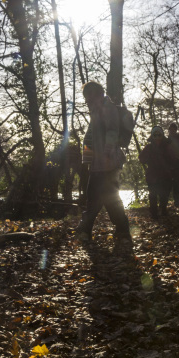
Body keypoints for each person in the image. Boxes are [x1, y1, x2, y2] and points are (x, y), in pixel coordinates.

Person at [75, 81, 131, 242]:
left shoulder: (108, 108)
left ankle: (119, 229)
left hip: (108, 163)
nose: (86, 101)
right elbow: (89, 138)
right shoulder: (96, 111)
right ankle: (118, 229)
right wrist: (87, 160)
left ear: (98, 95)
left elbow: (113, 131)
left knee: (107, 198)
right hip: (98, 165)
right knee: (98, 198)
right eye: (85, 98)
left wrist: (107, 153)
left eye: (89, 97)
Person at [139, 126, 176, 220]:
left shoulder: (167, 147)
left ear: (162, 135)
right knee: (153, 194)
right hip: (152, 175)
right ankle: (154, 213)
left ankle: (163, 210)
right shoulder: (148, 147)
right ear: (152, 136)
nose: (157, 137)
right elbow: (141, 158)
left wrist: (172, 168)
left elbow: (173, 159)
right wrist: (147, 159)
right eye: (155, 135)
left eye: (159, 135)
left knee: (164, 194)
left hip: (165, 175)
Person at [167, 122, 179, 209]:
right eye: (170, 129)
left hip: (178, 165)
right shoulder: (166, 140)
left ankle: (177, 202)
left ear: (175, 130)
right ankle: (167, 203)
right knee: (168, 184)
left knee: (177, 184)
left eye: (173, 129)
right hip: (168, 165)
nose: (172, 131)